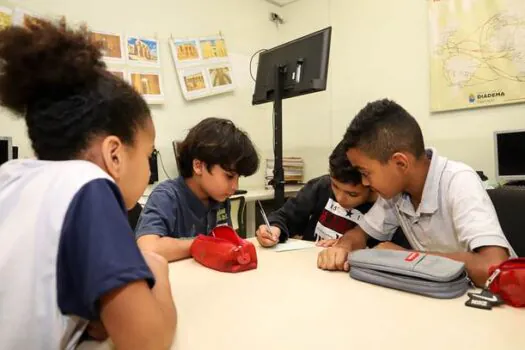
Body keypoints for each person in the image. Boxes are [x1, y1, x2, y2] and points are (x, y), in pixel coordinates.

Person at [0, 19, 176, 349]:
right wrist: (158, 272)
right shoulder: (89, 182)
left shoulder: (12, 176)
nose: (150, 173)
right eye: (147, 155)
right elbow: (147, 341)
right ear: (115, 155)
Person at [317, 99, 514, 287]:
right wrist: (343, 247)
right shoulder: (395, 194)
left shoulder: (459, 181)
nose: (364, 182)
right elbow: (360, 234)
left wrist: (406, 258)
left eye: (365, 172)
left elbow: (493, 268)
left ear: (400, 163)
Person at [135, 117, 259, 262]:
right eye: (229, 176)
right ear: (198, 166)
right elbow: (147, 249)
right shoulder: (166, 197)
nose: (235, 186)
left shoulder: (219, 198)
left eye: (239, 178)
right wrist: (203, 244)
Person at [256, 141, 376, 247]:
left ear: (372, 186)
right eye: (335, 186)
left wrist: (348, 247)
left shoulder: (384, 210)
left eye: (352, 194)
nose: (340, 198)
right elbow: (284, 216)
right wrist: (273, 228)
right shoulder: (322, 186)